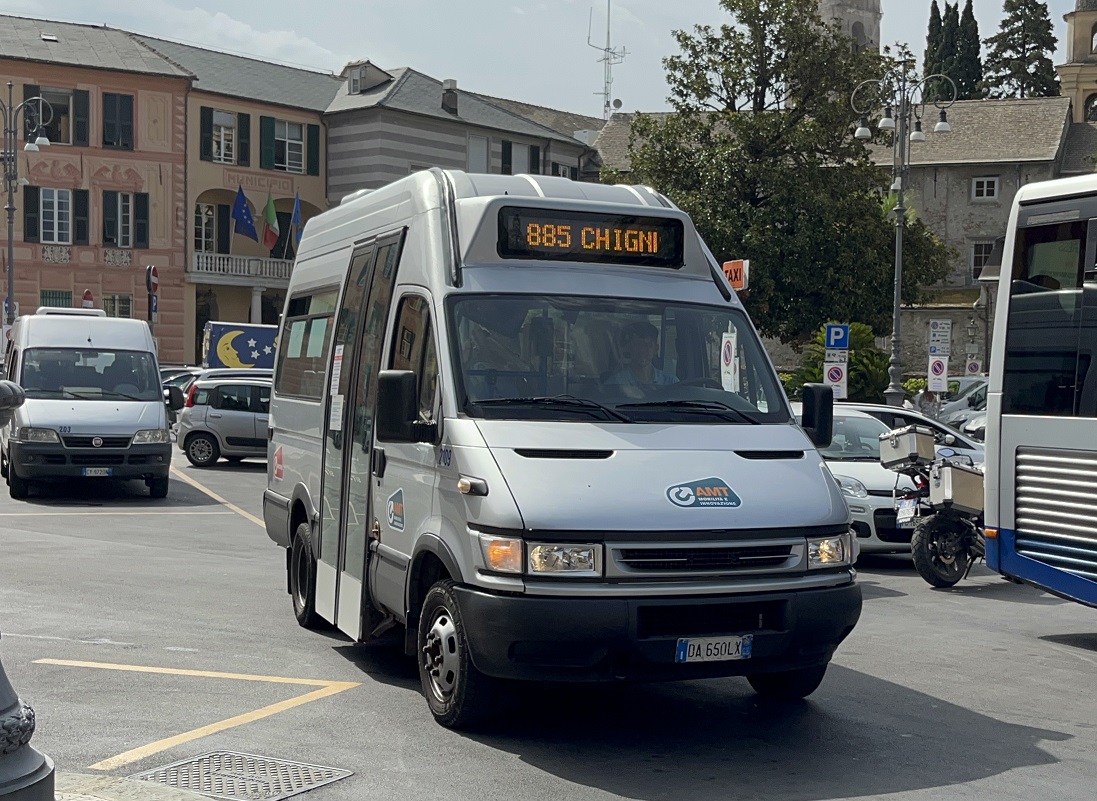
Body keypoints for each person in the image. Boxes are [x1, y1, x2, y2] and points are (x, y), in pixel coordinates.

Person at [607, 320, 677, 392]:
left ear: (656, 349)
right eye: (638, 345)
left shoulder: (672, 383)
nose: (642, 350)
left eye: (648, 345)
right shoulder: (614, 384)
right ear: (629, 347)